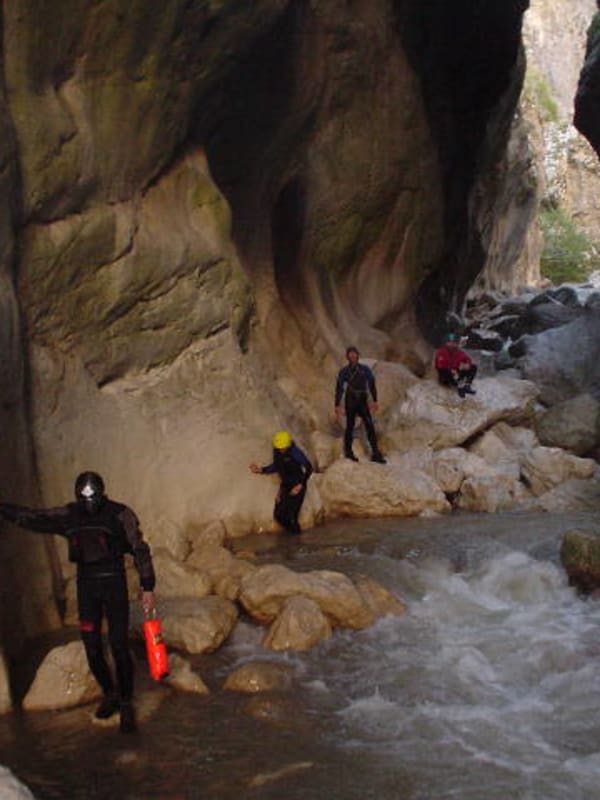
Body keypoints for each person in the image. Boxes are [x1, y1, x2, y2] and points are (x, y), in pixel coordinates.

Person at [0, 471, 156, 734]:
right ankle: (110, 693)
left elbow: (140, 548)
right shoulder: (70, 515)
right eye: (85, 497)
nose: (89, 502)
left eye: (93, 496)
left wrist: (148, 586)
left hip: (114, 583)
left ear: (102, 493)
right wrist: (4, 509)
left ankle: (127, 701)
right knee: (92, 645)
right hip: (86, 585)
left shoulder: (119, 514)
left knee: (118, 644)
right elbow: (34, 518)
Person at [249, 431, 313, 535]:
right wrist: (261, 470)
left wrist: (300, 485)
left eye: (283, 448)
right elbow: (277, 466)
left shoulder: (295, 452)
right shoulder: (277, 451)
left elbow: (309, 468)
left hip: (298, 484)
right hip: (286, 485)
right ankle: (292, 538)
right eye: (279, 448)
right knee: (278, 515)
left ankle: (297, 542)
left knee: (292, 517)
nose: (281, 450)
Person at [334, 346, 386, 463]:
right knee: (350, 426)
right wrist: (337, 405)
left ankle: (375, 453)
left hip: (362, 400)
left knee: (369, 425)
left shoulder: (365, 370)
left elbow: (372, 384)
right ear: (347, 357)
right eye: (350, 354)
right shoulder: (344, 372)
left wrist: (375, 400)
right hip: (351, 400)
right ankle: (348, 452)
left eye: (354, 354)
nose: (352, 356)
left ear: (358, 355)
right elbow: (339, 388)